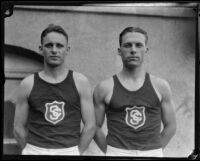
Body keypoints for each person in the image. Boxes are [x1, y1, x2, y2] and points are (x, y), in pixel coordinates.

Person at [13, 24, 96, 155]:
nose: (54, 50)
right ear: (41, 49)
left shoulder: (80, 82)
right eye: (49, 45)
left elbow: (90, 125)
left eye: (59, 45)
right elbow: (18, 127)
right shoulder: (28, 83)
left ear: (67, 50)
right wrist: (28, 151)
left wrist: (77, 152)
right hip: (35, 149)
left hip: (69, 150)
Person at [93, 27, 176, 157]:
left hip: (152, 152)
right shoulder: (104, 87)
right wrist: (110, 151)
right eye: (127, 45)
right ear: (120, 51)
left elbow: (171, 125)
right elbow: (95, 126)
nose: (133, 50)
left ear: (146, 50)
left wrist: (156, 149)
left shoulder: (160, 86)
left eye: (138, 45)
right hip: (116, 151)